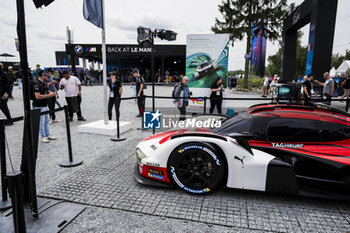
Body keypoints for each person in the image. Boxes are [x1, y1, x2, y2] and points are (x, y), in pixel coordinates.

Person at [32, 70, 57, 143]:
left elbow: (48, 91)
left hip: (45, 104)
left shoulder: (44, 84)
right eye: (46, 76)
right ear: (43, 75)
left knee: (47, 121)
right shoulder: (36, 84)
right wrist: (49, 95)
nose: (48, 77)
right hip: (38, 105)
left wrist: (53, 93)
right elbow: (37, 96)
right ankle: (43, 137)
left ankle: (47, 135)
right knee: (41, 122)